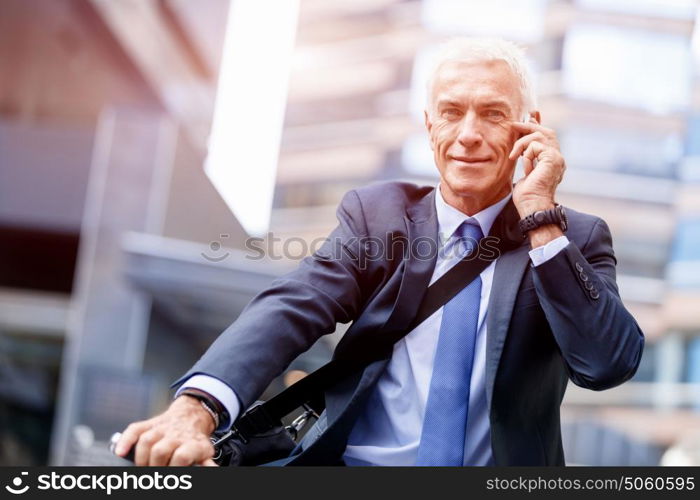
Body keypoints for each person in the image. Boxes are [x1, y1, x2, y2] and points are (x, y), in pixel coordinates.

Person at [115, 37, 644, 466]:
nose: (468, 135)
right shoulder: (378, 214)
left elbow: (606, 364)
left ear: (529, 125)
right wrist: (197, 407)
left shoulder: (575, 235)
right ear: (429, 123)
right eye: (452, 112)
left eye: (493, 114)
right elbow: (295, 304)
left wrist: (539, 220)